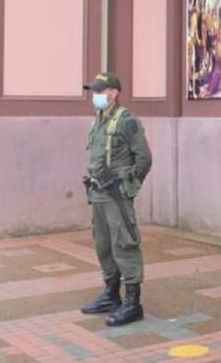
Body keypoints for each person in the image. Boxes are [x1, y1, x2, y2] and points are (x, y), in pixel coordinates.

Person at [79, 73, 152, 327]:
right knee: (104, 245)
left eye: (100, 91)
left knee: (124, 243)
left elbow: (144, 159)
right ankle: (111, 295)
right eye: (94, 91)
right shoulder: (98, 120)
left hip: (116, 194)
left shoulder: (127, 121)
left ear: (113, 93)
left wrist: (129, 186)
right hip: (98, 194)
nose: (95, 96)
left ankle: (133, 303)